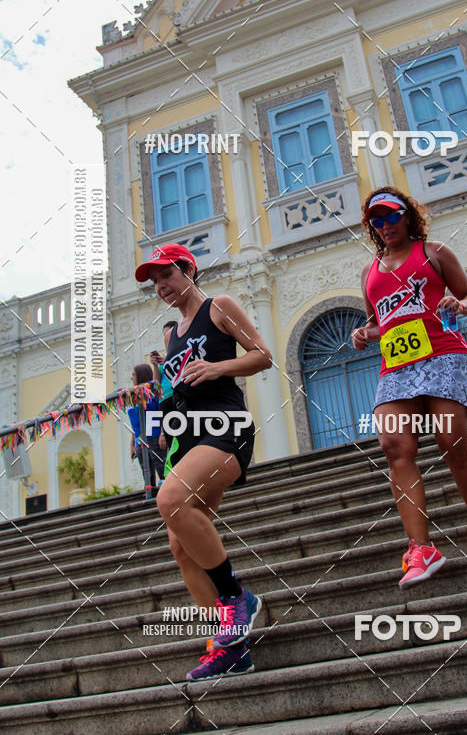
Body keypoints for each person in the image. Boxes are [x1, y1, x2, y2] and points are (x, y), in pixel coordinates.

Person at [351, 187, 467, 588]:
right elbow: (377, 322)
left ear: (408, 216)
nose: (384, 226)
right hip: (396, 367)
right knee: (393, 446)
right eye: (376, 221)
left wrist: (460, 305)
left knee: (452, 442)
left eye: (390, 217)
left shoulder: (433, 252)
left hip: (443, 354)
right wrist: (363, 333)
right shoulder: (371, 272)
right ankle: (421, 548)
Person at [134, 243, 272, 680]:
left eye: (167, 276)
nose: (161, 287)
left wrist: (215, 369)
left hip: (225, 426)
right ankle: (230, 646)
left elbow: (262, 355)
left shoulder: (220, 306)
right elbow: (178, 389)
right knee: (180, 544)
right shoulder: (172, 334)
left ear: (189, 270)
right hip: (187, 436)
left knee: (170, 498)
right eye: (154, 283)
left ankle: (237, 598)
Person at [127, 364, 167, 499]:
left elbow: (161, 412)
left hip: (155, 435)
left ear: (140, 375)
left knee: (161, 469)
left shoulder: (152, 393)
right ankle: (151, 498)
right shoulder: (132, 395)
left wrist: (162, 433)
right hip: (140, 439)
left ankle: (167, 496)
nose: (131, 377)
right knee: (147, 475)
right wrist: (132, 444)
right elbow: (135, 422)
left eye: (133, 374)